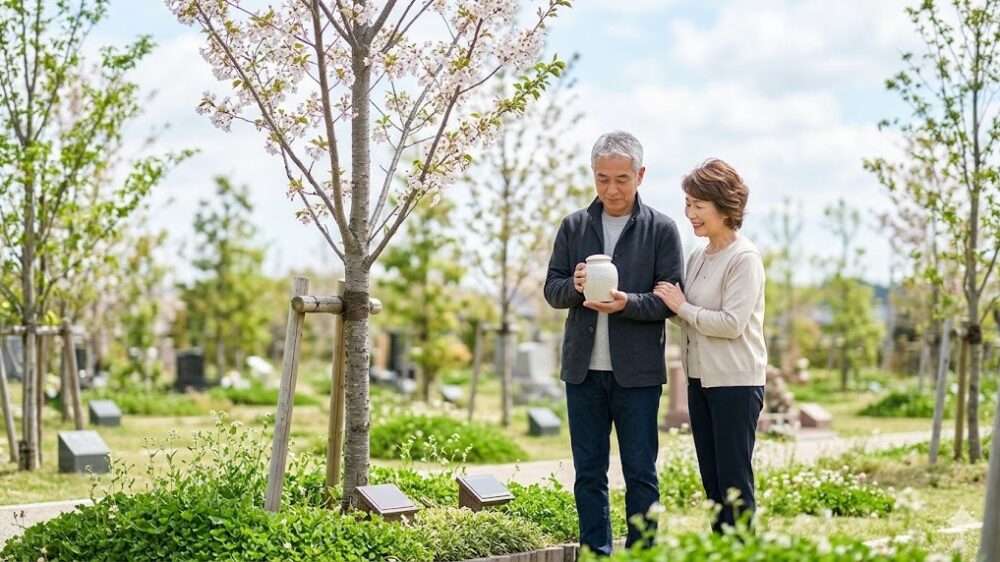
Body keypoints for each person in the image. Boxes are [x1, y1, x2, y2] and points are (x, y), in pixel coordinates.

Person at [544, 130, 685, 555]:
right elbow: (552, 290)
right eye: (602, 178)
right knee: (589, 471)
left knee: (641, 471)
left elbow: (670, 298)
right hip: (582, 372)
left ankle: (643, 552)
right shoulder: (574, 226)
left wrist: (627, 304)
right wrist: (575, 285)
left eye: (621, 178)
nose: (611, 188)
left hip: (637, 375)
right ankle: (595, 553)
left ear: (640, 175)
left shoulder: (661, 229)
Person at [653, 158, 766, 534]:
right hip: (701, 381)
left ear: (723, 206)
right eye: (687, 204)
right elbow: (688, 312)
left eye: (698, 206)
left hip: (736, 383)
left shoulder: (743, 258)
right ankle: (721, 549)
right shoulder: (700, 255)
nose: (690, 214)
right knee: (713, 482)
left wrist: (681, 306)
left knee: (734, 483)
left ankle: (742, 551)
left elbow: (731, 324)